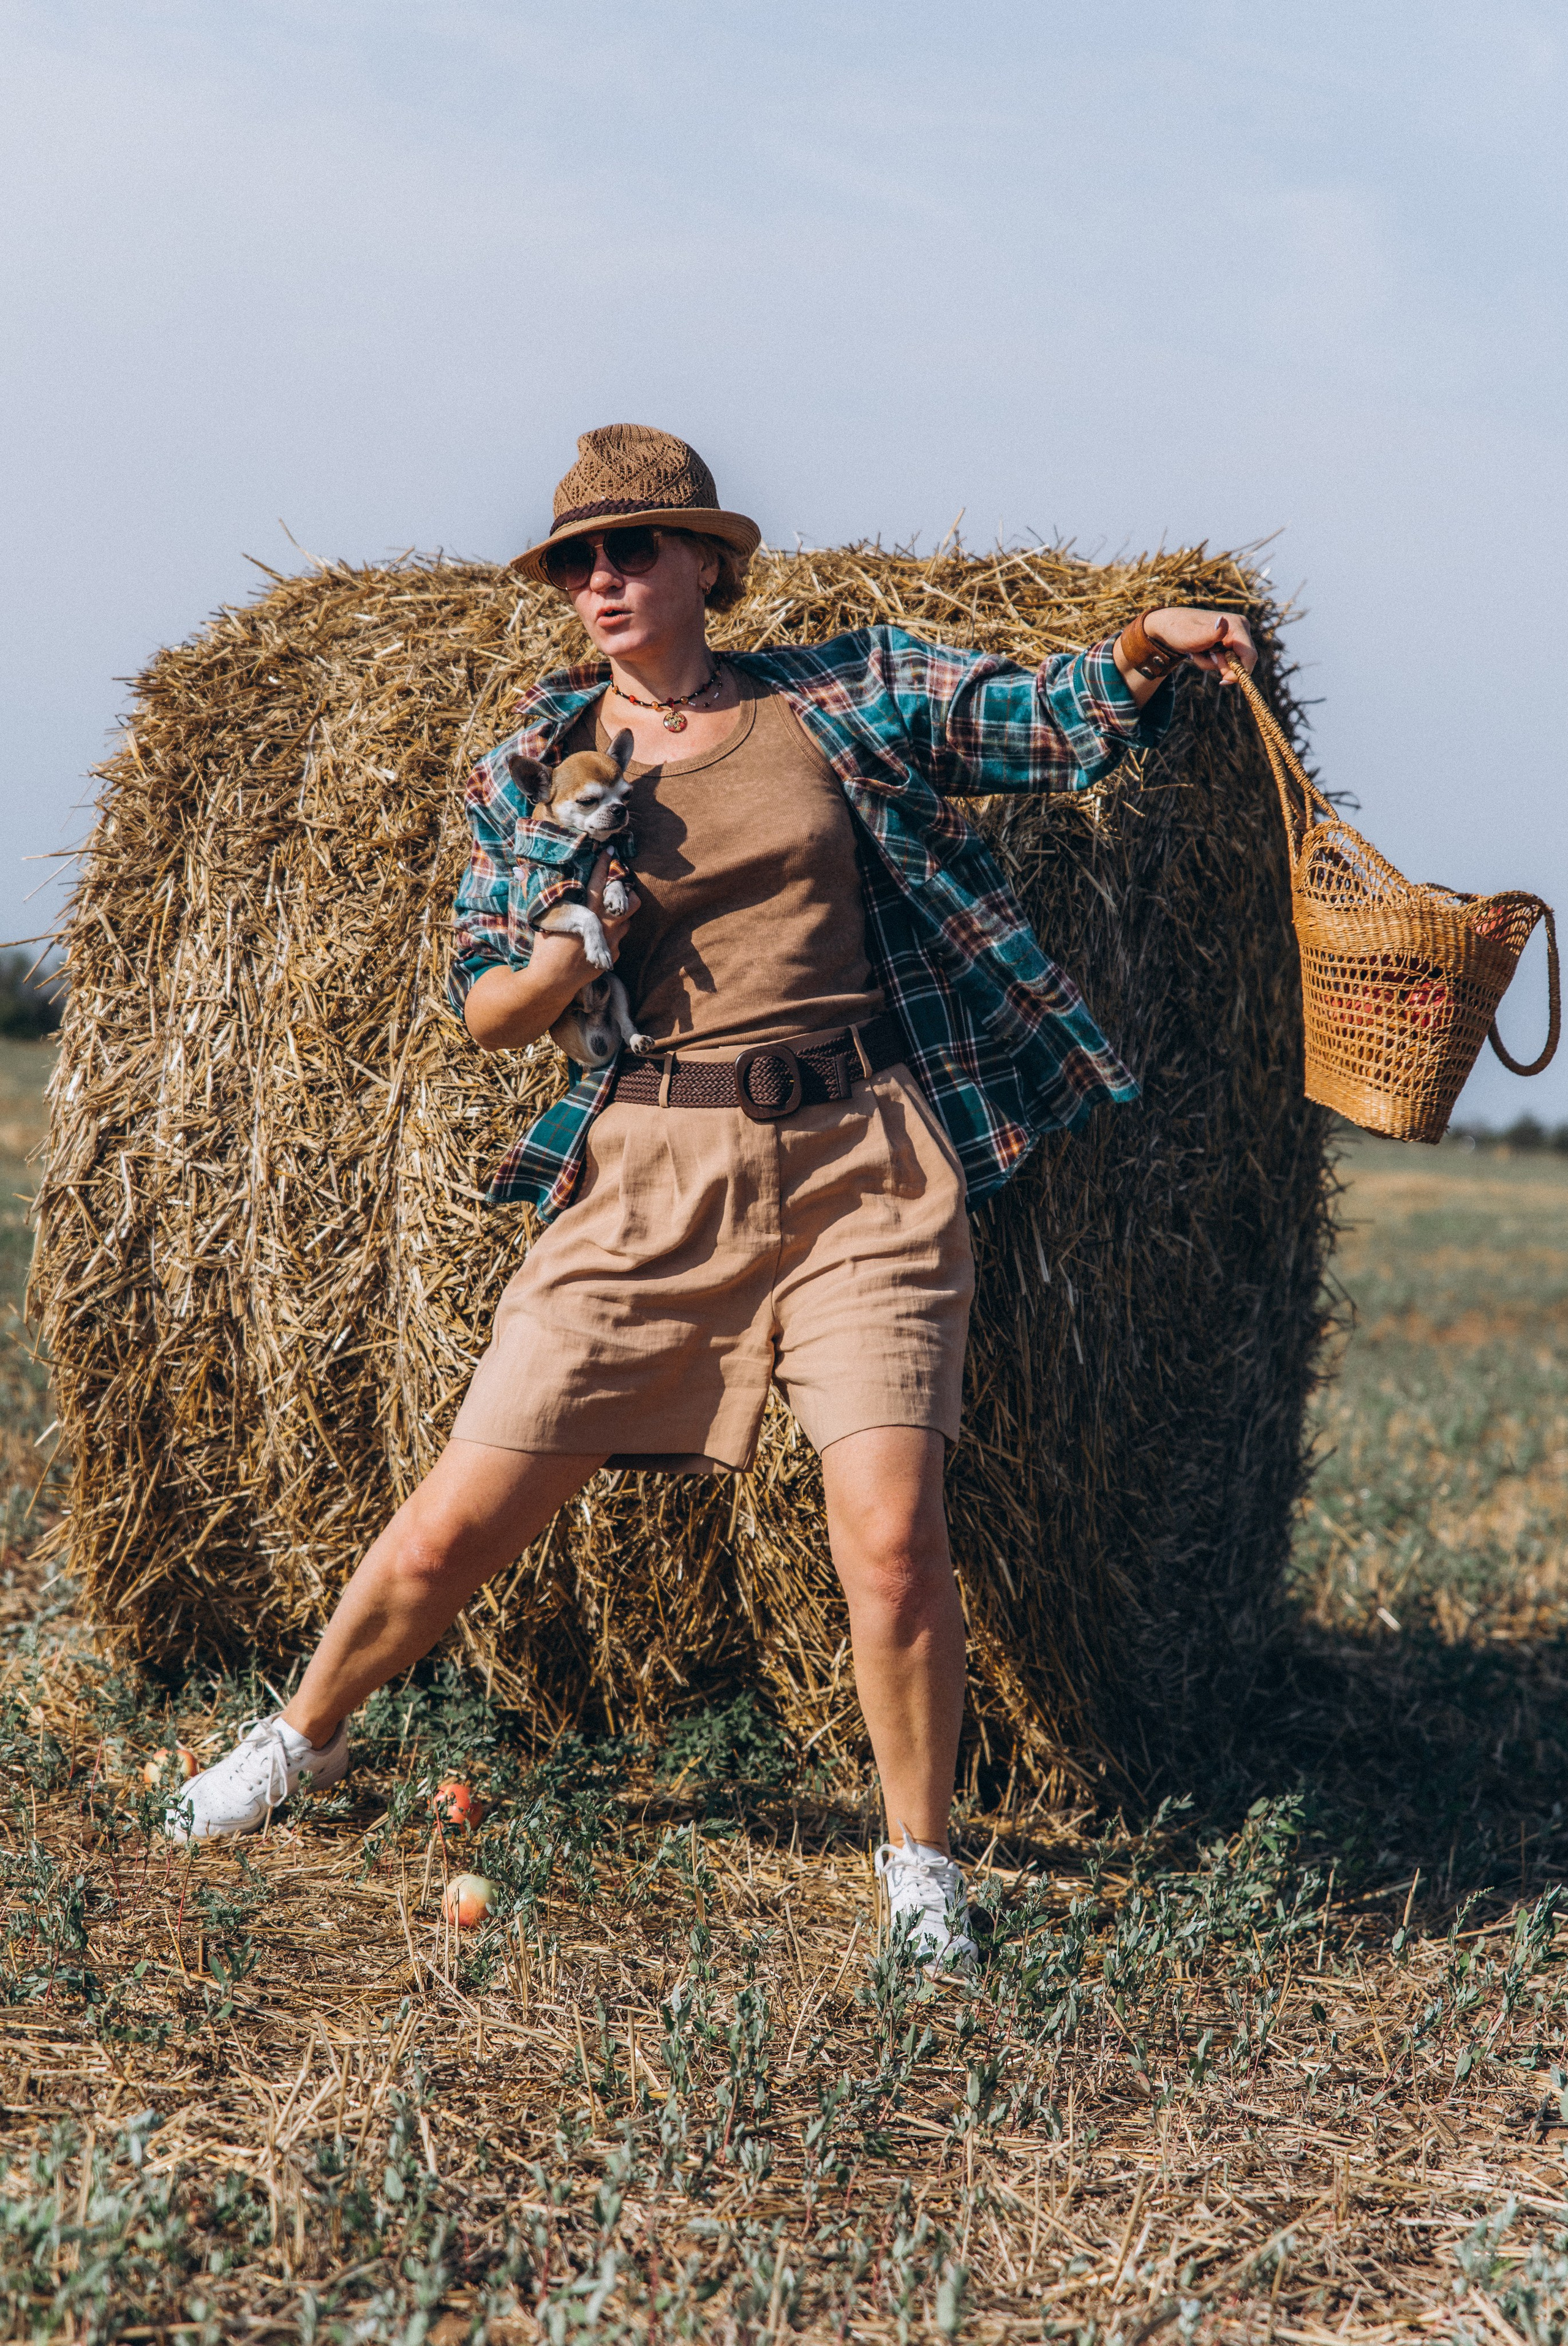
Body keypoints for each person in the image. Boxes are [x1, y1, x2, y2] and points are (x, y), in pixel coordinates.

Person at [172, 424, 1254, 1964]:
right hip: (643, 1180)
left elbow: (1038, 721)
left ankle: (920, 1867)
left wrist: (1145, 644)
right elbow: (486, 1001)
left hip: (859, 1165)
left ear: (704, 565)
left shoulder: (838, 699)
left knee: (890, 1536)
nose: (601, 580)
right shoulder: (538, 771)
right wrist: (571, 940)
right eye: (575, 561)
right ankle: (304, 1736)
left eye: (631, 550)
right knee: (450, 1528)